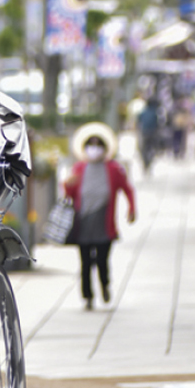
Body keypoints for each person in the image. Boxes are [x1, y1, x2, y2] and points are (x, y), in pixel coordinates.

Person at [64, 121, 136, 311]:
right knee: (85, 262)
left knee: (103, 260)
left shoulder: (113, 169)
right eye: (90, 145)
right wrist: (68, 185)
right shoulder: (79, 168)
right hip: (83, 222)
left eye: (98, 145)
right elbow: (69, 195)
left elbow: (127, 189)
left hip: (104, 223)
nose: (94, 149)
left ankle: (104, 284)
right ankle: (87, 296)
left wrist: (131, 209)